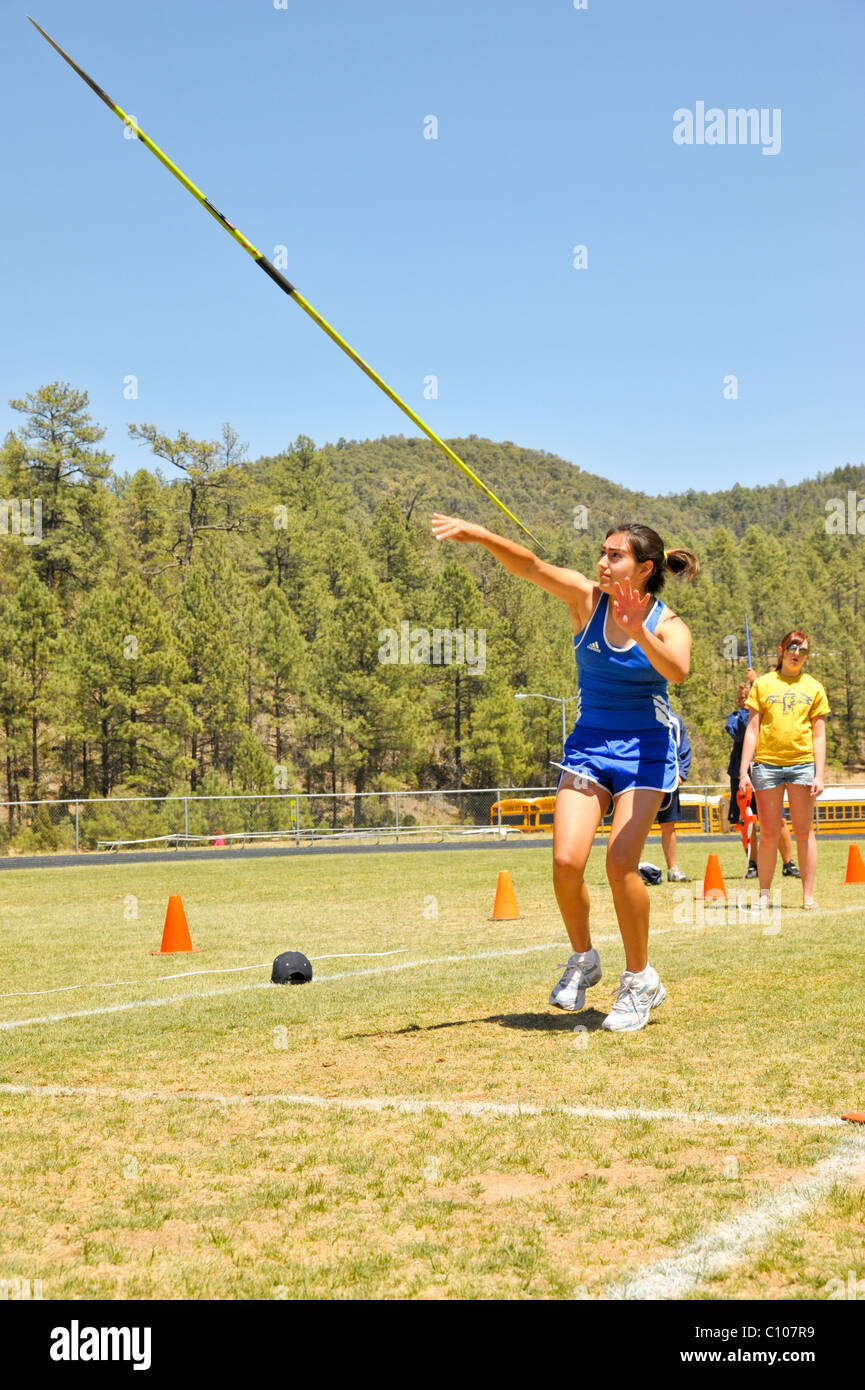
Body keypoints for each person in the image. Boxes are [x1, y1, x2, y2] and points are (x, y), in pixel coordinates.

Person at [431, 512, 699, 1032]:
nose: (601, 562)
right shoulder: (584, 600)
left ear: (643, 569)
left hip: (645, 749)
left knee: (621, 863)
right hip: (590, 746)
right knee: (565, 859)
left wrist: (637, 629)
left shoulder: (668, 624)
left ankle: (641, 979)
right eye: (601, 552)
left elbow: (678, 672)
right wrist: (480, 534)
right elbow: (529, 566)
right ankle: (583, 959)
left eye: (614, 555)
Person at [738, 630, 829, 911]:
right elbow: (752, 730)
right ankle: (764, 896)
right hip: (767, 766)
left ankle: (808, 895)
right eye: (792, 647)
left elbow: (819, 735)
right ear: (781, 649)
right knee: (768, 833)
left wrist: (819, 774)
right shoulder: (763, 684)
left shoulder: (814, 687)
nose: (797, 653)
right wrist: (744, 773)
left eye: (803, 650)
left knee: (804, 832)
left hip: (803, 766)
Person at [726, 674, 800, 879]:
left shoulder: (769, 715)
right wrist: (748, 710)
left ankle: (788, 862)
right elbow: (740, 731)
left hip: (766, 769)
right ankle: (753, 863)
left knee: (778, 819)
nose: (744, 701)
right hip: (741, 774)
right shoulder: (735, 717)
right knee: (746, 821)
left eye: (749, 697)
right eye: (742, 699)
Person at [657, 711, 692, 881]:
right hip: (641, 779)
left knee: (668, 825)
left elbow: (683, 748)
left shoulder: (673, 720)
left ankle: (673, 869)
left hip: (668, 779)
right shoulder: (637, 713)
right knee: (637, 825)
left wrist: (681, 774)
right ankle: (632, 868)